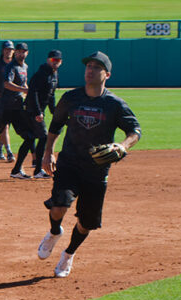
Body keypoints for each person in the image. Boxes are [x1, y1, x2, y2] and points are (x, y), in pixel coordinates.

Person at [36, 51, 141, 278]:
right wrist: (47, 154)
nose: (90, 70)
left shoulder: (114, 104)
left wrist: (123, 146)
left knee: (86, 223)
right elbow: (55, 126)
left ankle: (68, 254)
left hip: (96, 170)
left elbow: (135, 131)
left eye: (96, 67)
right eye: (88, 66)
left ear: (107, 74)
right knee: (58, 207)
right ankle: (55, 232)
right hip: (69, 163)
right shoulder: (71, 98)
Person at [25, 49, 62, 178]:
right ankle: (38, 169)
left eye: (57, 60)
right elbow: (32, 93)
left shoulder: (54, 75)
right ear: (48, 60)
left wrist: (55, 112)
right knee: (43, 136)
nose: (55, 62)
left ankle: (17, 170)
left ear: (60, 62)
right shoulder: (41, 74)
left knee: (30, 139)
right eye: (53, 60)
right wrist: (38, 112)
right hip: (31, 110)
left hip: (39, 111)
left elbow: (51, 95)